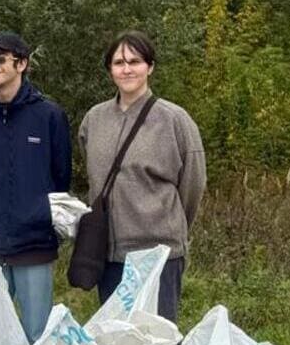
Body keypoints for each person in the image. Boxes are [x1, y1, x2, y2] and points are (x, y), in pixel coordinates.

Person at [79, 30, 206, 323]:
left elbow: (193, 185)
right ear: (110, 69)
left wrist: (168, 226)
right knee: (114, 341)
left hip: (158, 255)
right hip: (109, 253)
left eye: (134, 61)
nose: (126, 69)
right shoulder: (94, 120)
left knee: (155, 343)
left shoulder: (174, 120)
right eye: (119, 62)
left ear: (149, 66)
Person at [0, 31, 71, 342]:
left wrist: (36, 212)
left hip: (34, 243)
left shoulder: (49, 116)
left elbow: (60, 176)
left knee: (37, 335)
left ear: (21, 64)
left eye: (0, 59)